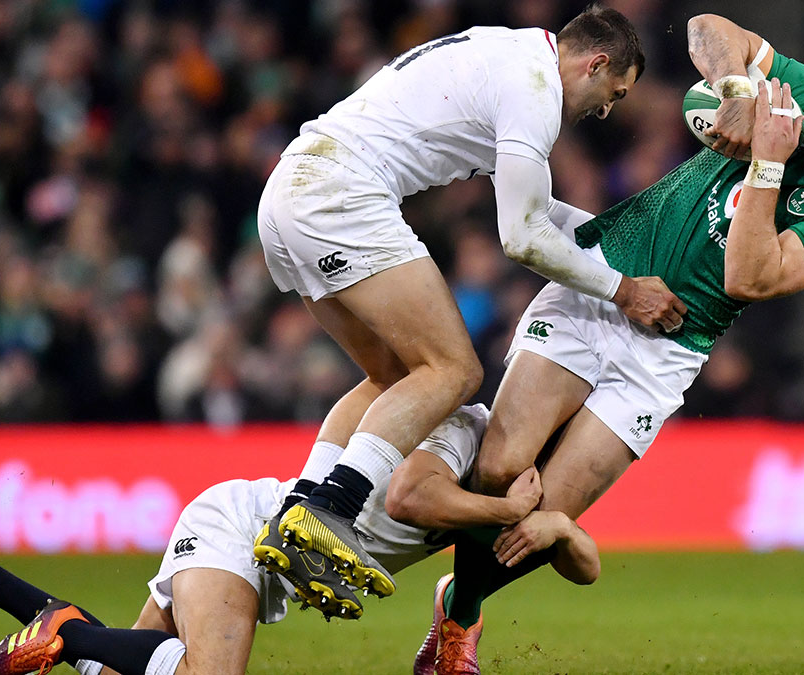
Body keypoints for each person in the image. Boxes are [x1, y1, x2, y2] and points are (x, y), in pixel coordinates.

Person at [419, 13, 804, 674]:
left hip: (667, 348)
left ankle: (458, 609)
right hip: (604, 281)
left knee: (542, 519)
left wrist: (769, 165)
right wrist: (738, 93)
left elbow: (746, 276)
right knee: (500, 470)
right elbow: (709, 28)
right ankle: (453, 585)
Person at [254, 4, 684, 598]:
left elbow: (532, 207)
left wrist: (621, 246)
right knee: (453, 370)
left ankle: (299, 512)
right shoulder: (535, 90)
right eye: (613, 92)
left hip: (291, 190)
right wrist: (626, 290)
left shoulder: (509, 54)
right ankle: (334, 508)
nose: (606, 109)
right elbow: (523, 237)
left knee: (396, 376)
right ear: (596, 63)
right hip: (341, 192)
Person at [0, 405, 599, 675]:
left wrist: (560, 523)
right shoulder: (464, 424)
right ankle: (64, 632)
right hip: (242, 527)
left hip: (260, 553)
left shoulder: (527, 492)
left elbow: (588, 568)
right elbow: (415, 493)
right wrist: (504, 507)